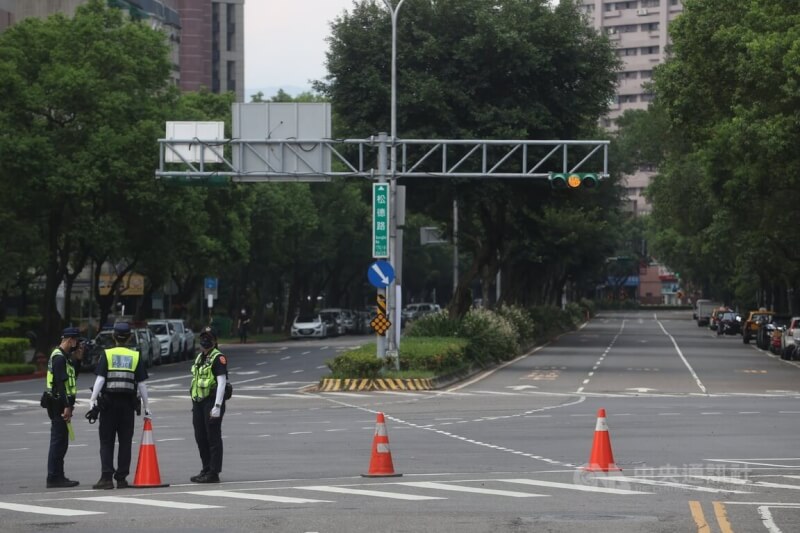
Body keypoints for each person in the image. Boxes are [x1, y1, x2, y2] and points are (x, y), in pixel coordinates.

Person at [88, 322, 149, 489]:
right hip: (128, 405)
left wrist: (92, 400)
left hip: (108, 404)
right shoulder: (135, 355)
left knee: (106, 442)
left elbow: (100, 380)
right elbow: (142, 384)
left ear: (113, 336)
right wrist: (147, 407)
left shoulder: (107, 354)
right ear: (129, 337)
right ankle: (121, 478)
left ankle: (106, 478)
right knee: (125, 442)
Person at [45, 327, 86, 488]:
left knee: (62, 442)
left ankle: (58, 476)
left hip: (61, 404)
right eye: (76, 341)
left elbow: (72, 378)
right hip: (59, 405)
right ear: (70, 340)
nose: (77, 344)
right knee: (58, 442)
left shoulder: (65, 357)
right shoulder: (59, 358)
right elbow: (61, 385)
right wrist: (67, 407)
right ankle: (54, 477)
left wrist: (78, 359)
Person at [189, 326, 228, 483]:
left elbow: (222, 383)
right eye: (203, 337)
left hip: (212, 402)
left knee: (213, 437)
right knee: (201, 437)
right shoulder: (199, 358)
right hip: (199, 402)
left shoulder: (218, 358)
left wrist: (217, 407)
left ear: (215, 341)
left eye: (208, 338)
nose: (204, 340)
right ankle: (205, 468)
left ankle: (213, 472)